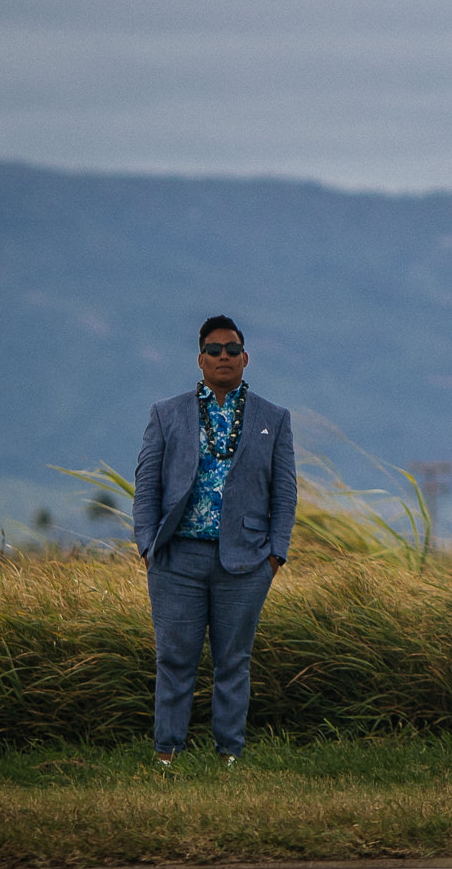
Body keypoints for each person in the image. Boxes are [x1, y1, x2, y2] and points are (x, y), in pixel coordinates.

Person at [133, 314, 296, 767]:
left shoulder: (273, 418)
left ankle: (230, 757)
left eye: (231, 350)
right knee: (174, 660)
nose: (223, 357)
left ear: (245, 358)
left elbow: (285, 493)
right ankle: (167, 756)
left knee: (233, 662)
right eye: (214, 350)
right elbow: (146, 484)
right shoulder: (167, 414)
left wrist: (275, 555)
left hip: (245, 562)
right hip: (176, 557)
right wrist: (147, 545)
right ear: (200, 359)